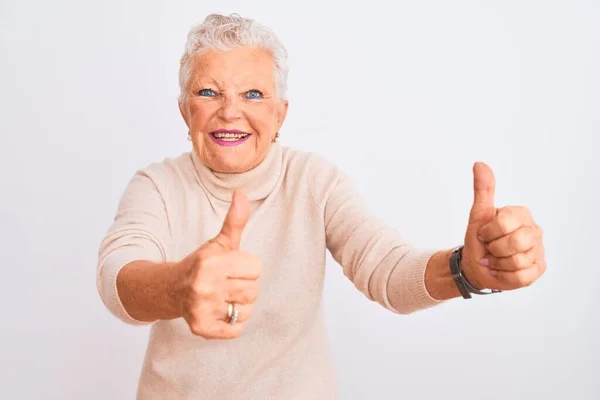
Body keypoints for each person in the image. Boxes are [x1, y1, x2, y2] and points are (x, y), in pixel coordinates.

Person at [96, 13, 546, 399]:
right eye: (208, 93)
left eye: (253, 95)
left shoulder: (313, 180)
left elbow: (385, 271)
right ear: (184, 112)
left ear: (281, 115)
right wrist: (179, 285)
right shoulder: (157, 185)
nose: (230, 112)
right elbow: (119, 278)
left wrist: (465, 270)